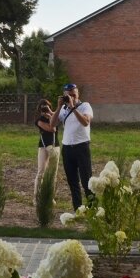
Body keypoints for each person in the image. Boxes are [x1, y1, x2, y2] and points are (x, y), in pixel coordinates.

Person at [51, 83, 94, 211]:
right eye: (68, 96)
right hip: (67, 148)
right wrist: (59, 107)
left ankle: (93, 209)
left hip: (82, 147)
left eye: (74, 95)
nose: (72, 97)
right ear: (64, 96)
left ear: (78, 94)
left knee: (87, 180)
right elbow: (52, 124)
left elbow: (86, 122)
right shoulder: (63, 109)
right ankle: (78, 209)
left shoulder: (85, 106)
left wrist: (73, 107)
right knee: (72, 181)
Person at [34, 99, 59, 200]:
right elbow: (52, 129)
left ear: (50, 108)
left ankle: (50, 197)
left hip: (55, 146)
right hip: (44, 147)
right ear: (39, 110)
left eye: (47, 107)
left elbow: (55, 126)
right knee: (41, 172)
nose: (45, 110)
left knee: (53, 173)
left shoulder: (55, 117)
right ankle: (37, 197)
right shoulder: (39, 120)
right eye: (43, 108)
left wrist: (51, 116)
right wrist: (49, 118)